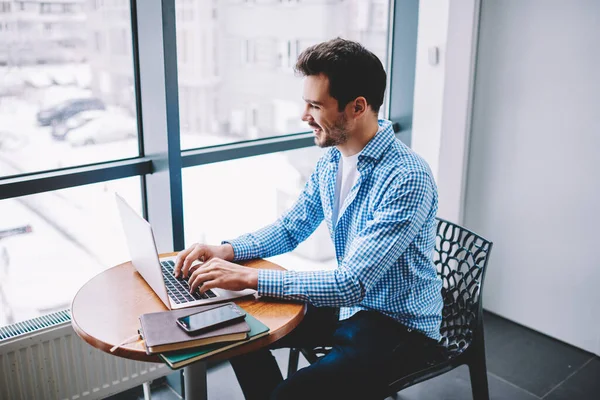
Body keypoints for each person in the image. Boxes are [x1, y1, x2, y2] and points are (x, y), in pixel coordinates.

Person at [174, 38, 443, 400]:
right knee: (234, 330)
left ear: (357, 107)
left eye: (315, 105)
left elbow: (350, 283)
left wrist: (248, 276)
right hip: (352, 308)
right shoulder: (333, 160)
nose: (304, 116)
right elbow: (291, 227)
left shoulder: (407, 178)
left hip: (400, 326)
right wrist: (228, 250)